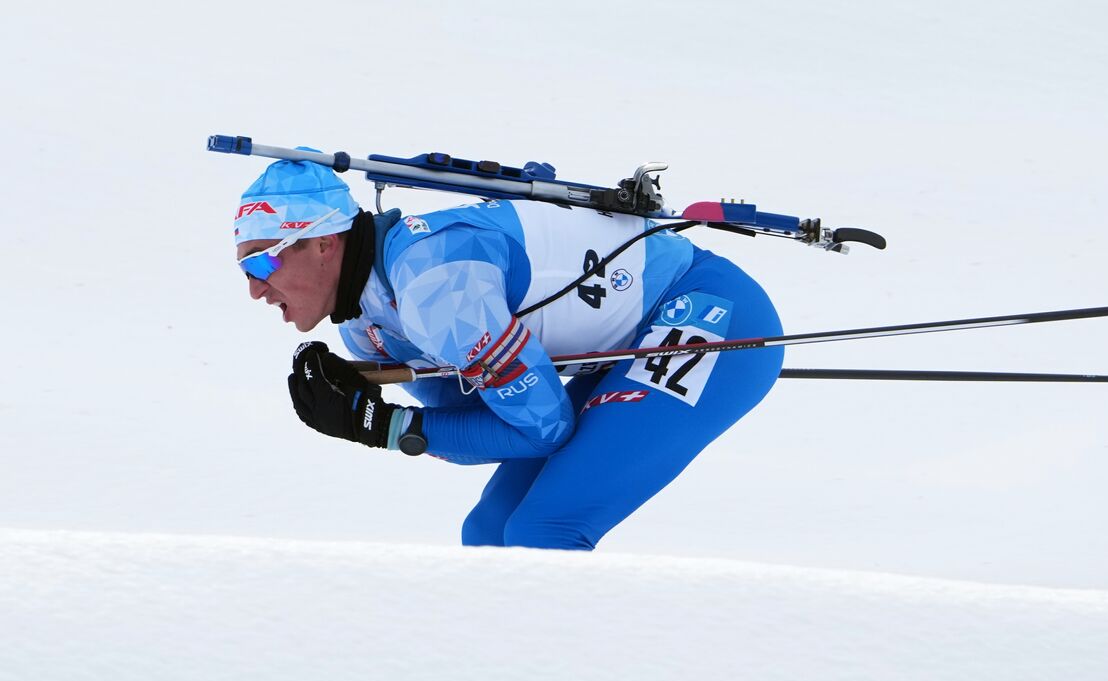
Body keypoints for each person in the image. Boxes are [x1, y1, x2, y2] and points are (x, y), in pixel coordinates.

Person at [234, 151, 784, 550]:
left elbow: (540, 430)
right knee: (489, 533)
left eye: (261, 261)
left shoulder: (437, 285)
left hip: (709, 311)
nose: (255, 287)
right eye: (245, 268)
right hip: (628, 343)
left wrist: (378, 426)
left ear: (325, 242)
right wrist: (380, 419)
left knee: (544, 531)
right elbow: (483, 425)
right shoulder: (367, 326)